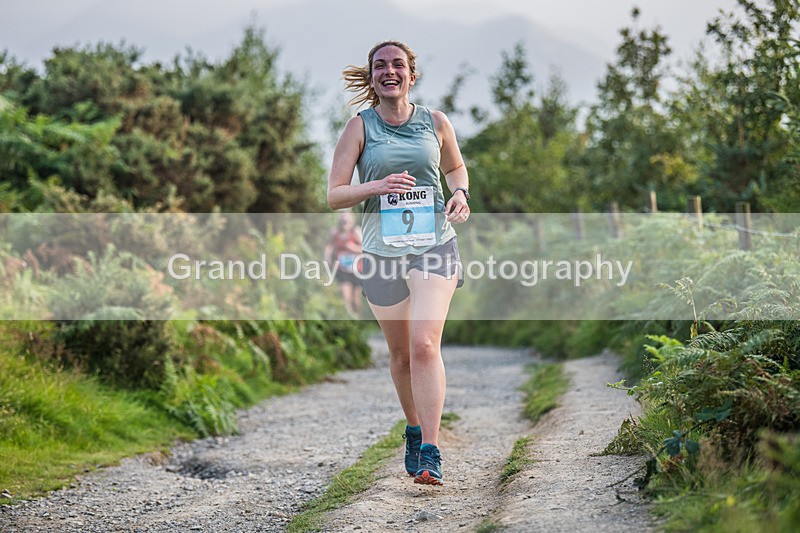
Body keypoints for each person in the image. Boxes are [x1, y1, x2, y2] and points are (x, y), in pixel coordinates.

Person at [327, 40, 470, 486]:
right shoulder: (359, 127)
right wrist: (377, 186)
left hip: (435, 244)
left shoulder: (436, 122)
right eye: (380, 65)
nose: (389, 71)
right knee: (402, 355)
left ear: (412, 73)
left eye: (398, 65)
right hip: (381, 252)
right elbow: (334, 195)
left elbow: (455, 169)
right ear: (372, 77)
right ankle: (412, 427)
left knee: (425, 345)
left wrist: (461, 193)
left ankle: (430, 449)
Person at [324, 211, 363, 317]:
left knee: (356, 299)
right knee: (347, 297)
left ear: (352, 221)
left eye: (347, 220)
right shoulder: (335, 232)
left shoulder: (357, 232)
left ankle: (358, 319)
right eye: (343, 221)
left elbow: (365, 249)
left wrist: (353, 247)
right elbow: (329, 246)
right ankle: (350, 320)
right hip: (342, 269)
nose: (345, 223)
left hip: (357, 269)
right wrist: (327, 257)